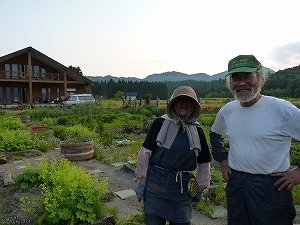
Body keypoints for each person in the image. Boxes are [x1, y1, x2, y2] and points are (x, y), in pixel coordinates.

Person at [209, 54, 300, 225]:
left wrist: (299, 172)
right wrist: (222, 159)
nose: (241, 83)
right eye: (236, 78)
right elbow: (215, 134)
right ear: (230, 83)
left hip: (271, 186)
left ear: (261, 78)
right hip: (237, 184)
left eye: (247, 77)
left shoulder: (281, 109)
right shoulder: (228, 110)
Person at [135, 86, 211, 225]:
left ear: (193, 106)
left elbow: (204, 161)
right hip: (155, 187)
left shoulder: (197, 130)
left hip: (181, 189)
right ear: (173, 104)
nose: (184, 103)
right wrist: (141, 182)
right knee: (153, 221)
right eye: (180, 100)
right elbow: (145, 154)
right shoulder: (160, 123)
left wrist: (200, 187)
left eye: (188, 101)